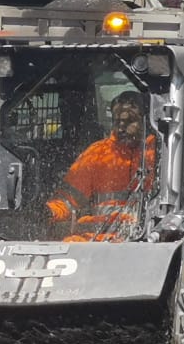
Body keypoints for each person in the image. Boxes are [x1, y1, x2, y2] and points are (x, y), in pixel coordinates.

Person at [47, 91, 156, 239]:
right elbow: (68, 200)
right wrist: (50, 212)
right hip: (96, 238)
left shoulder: (157, 155)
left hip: (144, 238)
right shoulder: (97, 154)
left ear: (146, 121)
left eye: (130, 121)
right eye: (118, 122)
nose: (122, 128)